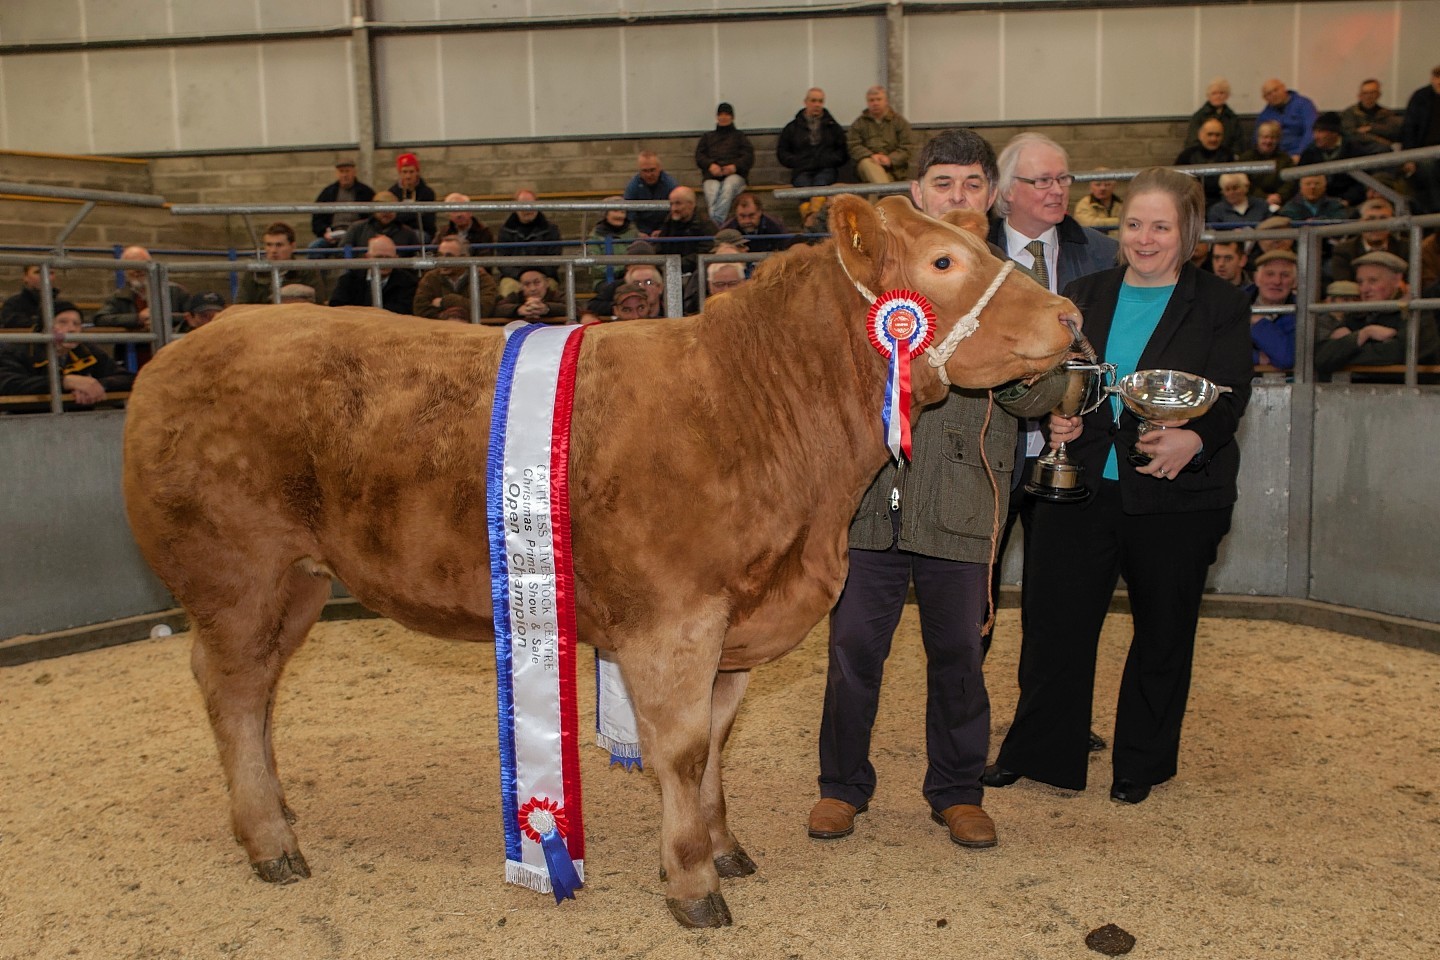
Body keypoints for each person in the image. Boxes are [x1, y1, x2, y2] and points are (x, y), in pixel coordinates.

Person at [808, 128, 1068, 851]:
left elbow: (1044, 388)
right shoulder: (870, 276)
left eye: (973, 184)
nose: (958, 195)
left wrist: (1012, 369)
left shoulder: (1009, 282)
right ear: (918, 193)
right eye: (944, 183)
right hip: (869, 504)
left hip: (962, 501)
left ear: (993, 196)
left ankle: (957, 791)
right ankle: (840, 786)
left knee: (960, 653)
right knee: (854, 647)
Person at [984, 166, 1252, 806]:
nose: (1145, 237)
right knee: (1054, 625)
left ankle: (1143, 762)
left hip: (1177, 496)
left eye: (1161, 226)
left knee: (1163, 631)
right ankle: (1042, 751)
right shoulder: (1084, 291)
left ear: (1189, 233)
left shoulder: (1219, 302)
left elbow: (1232, 392)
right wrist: (1057, 411)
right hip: (1080, 486)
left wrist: (1196, 436)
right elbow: (1058, 376)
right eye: (1134, 224)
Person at [983, 131, 1119, 752]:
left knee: (1059, 598)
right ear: (1006, 192)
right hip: (988, 453)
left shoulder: (1102, 254)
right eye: (1041, 181)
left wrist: (1085, 413)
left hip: (1076, 448)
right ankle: (964, 719)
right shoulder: (968, 252)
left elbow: (1110, 350)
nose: (1056, 190)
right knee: (973, 598)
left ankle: (1051, 716)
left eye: (1063, 179)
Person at [1316, 250, 1440, 377]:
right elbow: (1321, 357)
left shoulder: (1416, 312)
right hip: (1361, 392)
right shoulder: (1355, 315)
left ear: (1397, 280)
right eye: (1360, 282)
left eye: (1373, 281)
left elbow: (1399, 354)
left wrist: (1345, 349)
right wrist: (1362, 335)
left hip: (1410, 391)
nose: (1364, 289)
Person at [0, 301, 134, 405]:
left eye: (77, 324)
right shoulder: (18, 350)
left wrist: (96, 385)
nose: (71, 329)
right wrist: (65, 382)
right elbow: (8, 384)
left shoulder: (86, 350)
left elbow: (127, 378)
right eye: (62, 322)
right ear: (44, 326)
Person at [1298, 113, 1389, 208]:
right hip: (1317, 202)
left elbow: (1363, 182)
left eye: (1320, 132)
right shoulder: (1309, 152)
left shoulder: (1354, 150)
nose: (1316, 136)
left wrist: (1347, 200)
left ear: (1334, 133)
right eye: (1315, 132)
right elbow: (1299, 179)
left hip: (1349, 203)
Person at [694, 102, 754, 226]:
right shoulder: (707, 137)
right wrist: (710, 165)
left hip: (735, 176)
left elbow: (748, 157)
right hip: (712, 176)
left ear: (732, 117)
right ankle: (718, 224)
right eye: (721, 114)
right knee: (712, 192)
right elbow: (699, 156)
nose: (723, 117)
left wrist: (734, 167)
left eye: (726, 114)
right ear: (717, 117)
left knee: (728, 188)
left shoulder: (740, 137)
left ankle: (714, 224)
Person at [495, 188, 563, 296]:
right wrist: (520, 275)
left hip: (544, 276)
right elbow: (502, 261)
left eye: (531, 204)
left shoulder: (551, 230)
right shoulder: (505, 230)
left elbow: (554, 259)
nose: (528, 209)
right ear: (515, 207)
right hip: (514, 278)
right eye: (523, 205)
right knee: (508, 288)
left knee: (550, 287)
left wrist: (536, 276)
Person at [414, 234, 498, 320]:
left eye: (449, 256)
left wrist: (447, 301)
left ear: (464, 258)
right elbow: (420, 310)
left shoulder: (482, 278)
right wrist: (444, 316)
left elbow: (483, 310)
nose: (442, 260)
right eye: (439, 255)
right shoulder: (430, 278)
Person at [236, 222, 326, 304]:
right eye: (269, 245)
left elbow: (318, 303)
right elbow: (241, 304)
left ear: (293, 246)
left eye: (279, 245)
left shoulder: (307, 271)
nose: (273, 250)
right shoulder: (253, 272)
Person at [776, 87, 848, 187]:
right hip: (801, 170)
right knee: (805, 188)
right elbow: (782, 152)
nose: (817, 105)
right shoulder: (792, 128)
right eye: (813, 101)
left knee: (820, 185)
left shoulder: (833, 127)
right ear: (805, 102)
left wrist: (828, 160)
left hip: (826, 170)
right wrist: (798, 161)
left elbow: (843, 151)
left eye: (820, 101)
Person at [328, 236, 418, 315]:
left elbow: (406, 310)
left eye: (388, 258)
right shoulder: (349, 280)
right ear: (367, 257)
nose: (383, 262)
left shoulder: (408, 282)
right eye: (378, 257)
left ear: (396, 258)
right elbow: (336, 307)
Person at [846, 86, 919, 184]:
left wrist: (890, 159)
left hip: (893, 169)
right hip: (867, 166)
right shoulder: (859, 123)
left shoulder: (899, 122)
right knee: (868, 163)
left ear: (886, 101)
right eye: (871, 100)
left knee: (874, 187)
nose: (875, 103)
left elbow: (907, 146)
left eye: (879, 99)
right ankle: (884, 189)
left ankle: (882, 192)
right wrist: (871, 156)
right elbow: (853, 145)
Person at [1329, 197, 1409, 282]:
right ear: (1360, 222)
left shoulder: (1406, 248)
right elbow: (1344, 286)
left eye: (1383, 219)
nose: (1377, 225)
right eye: (1370, 219)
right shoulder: (1344, 251)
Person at [308, 159, 375, 254]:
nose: (344, 175)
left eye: (347, 171)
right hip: (332, 235)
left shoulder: (365, 192)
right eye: (341, 171)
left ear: (354, 172)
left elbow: (372, 218)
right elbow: (317, 218)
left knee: (349, 251)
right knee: (314, 248)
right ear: (337, 173)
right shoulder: (328, 192)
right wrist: (324, 233)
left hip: (356, 237)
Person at [1248, 249, 1298, 370]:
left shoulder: (1301, 312)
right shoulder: (1235, 303)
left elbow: (1286, 358)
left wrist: (1258, 322)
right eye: (1270, 274)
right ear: (1256, 278)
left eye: (1285, 275)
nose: (1277, 281)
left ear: (1295, 282)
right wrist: (1255, 357)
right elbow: (1216, 350)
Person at [1401, 65, 1440, 214]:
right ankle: (1436, 213)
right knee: (1427, 168)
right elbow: (1409, 128)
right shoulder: (1421, 97)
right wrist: (1408, 157)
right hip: (1424, 151)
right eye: (1437, 78)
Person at [652, 185, 714, 274]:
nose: (674, 208)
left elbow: (704, 254)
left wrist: (675, 265)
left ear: (691, 204)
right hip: (670, 270)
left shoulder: (706, 225)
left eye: (678, 203)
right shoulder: (669, 222)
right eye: (671, 204)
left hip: (695, 274)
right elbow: (660, 248)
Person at [1173, 118, 1235, 206]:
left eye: (1218, 135)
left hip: (1223, 203)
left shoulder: (1228, 155)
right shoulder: (1187, 155)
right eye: (1209, 134)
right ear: (1200, 135)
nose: (1213, 139)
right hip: (1193, 202)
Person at [338, 192, 422, 255]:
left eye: (391, 208)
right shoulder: (357, 228)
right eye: (382, 208)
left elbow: (417, 255)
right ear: (374, 209)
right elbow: (342, 252)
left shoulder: (407, 232)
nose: (386, 212)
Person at [1238, 120, 1297, 208]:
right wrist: (1264, 197)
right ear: (1258, 138)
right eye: (1265, 137)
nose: (1268, 141)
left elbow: (1291, 183)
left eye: (1273, 137)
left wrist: (1279, 196)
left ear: (1278, 140)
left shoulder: (1286, 159)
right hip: (1252, 204)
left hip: (1282, 203)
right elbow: (1244, 183)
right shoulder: (1245, 159)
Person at [1257, 78, 1319, 159]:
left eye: (1276, 90)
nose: (1273, 95)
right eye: (1269, 94)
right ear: (1265, 98)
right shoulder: (1265, 115)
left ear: (1284, 88)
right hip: (1275, 157)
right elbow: (1258, 138)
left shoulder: (1304, 105)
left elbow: (1311, 131)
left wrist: (1299, 153)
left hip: (1302, 154)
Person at [1183, 78, 1245, 156]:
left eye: (1221, 93)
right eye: (1214, 93)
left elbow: (1238, 143)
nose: (1218, 96)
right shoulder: (1199, 117)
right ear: (1208, 96)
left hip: (1226, 159)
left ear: (1227, 96)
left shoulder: (1232, 118)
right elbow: (1192, 142)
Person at [623, 151, 679, 236]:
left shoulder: (671, 184)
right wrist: (637, 233)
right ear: (639, 170)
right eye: (645, 171)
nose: (649, 175)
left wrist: (663, 230)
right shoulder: (632, 186)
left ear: (660, 168)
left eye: (652, 170)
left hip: (667, 229)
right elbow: (628, 213)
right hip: (640, 232)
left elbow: (677, 211)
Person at [586, 198, 638, 287]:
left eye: (623, 212)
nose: (620, 215)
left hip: (633, 277)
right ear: (605, 214)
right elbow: (595, 267)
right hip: (604, 280)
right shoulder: (595, 236)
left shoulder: (634, 233)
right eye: (615, 211)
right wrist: (622, 269)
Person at [387, 152, 437, 243]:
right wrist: (415, 213)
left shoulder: (427, 193)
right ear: (399, 173)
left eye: (411, 172)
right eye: (404, 172)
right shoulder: (392, 192)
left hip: (421, 231)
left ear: (417, 172)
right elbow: (391, 218)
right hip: (397, 230)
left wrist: (403, 215)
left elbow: (428, 221)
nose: (408, 176)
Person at [718, 193, 792, 253]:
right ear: (735, 214)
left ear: (760, 212)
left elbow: (786, 250)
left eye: (751, 215)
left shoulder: (775, 226)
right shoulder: (727, 230)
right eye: (742, 216)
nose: (747, 221)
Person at [1341, 78, 1403, 148]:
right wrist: (1379, 139)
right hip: (1359, 149)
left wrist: (1371, 128)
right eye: (1365, 93)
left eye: (1372, 93)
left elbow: (1392, 131)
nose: (1368, 96)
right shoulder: (1350, 113)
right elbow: (1350, 133)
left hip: (1383, 150)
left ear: (1378, 95)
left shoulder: (1386, 114)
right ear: (1359, 95)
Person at [493, 267, 565, 321]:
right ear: (520, 286)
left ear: (547, 283)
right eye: (527, 284)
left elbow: (572, 307)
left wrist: (547, 308)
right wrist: (518, 309)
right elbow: (498, 309)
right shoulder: (515, 296)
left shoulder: (556, 295)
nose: (532, 288)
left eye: (537, 283)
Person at [2, 265, 57, 329]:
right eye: (38, 272)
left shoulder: (62, 304)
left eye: (51, 273)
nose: (45, 276)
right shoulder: (13, 304)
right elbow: (10, 323)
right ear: (25, 277)